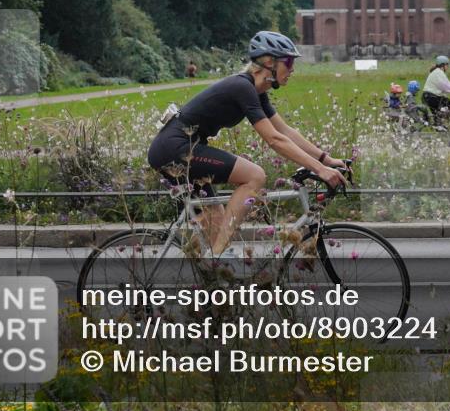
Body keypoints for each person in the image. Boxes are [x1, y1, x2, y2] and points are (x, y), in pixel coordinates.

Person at [147, 31, 349, 256]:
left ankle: (213, 273)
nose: (292, 69)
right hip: (175, 149)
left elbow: (285, 131)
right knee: (255, 176)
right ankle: (217, 256)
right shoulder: (242, 87)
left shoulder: (256, 91)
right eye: (289, 62)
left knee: (217, 221)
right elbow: (273, 139)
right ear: (269, 62)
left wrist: (326, 159)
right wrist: (320, 170)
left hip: (179, 149)